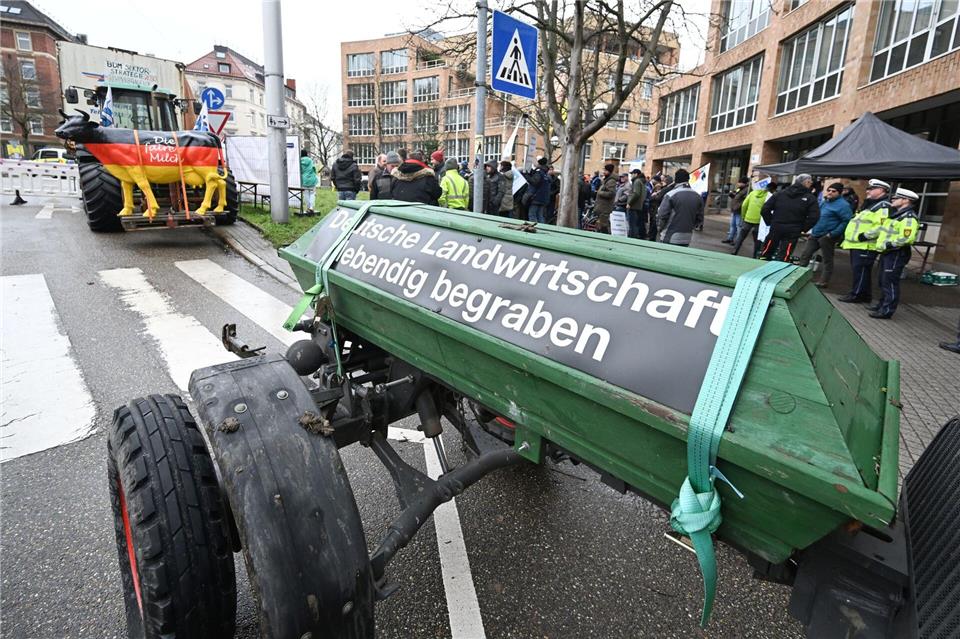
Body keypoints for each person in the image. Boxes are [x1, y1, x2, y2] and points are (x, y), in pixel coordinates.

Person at [866, 188, 920, 319]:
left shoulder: (908, 218)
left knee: (889, 282)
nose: (892, 200)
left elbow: (907, 238)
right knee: (882, 280)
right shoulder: (897, 215)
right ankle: (882, 305)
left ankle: (887, 310)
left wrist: (888, 245)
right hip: (888, 252)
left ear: (906, 200)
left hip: (896, 253)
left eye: (896, 198)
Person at [839, 179, 892, 303]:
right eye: (868, 188)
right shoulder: (871, 204)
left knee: (861, 271)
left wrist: (864, 236)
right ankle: (864, 295)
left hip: (866, 244)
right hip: (859, 244)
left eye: (871, 189)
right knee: (861, 271)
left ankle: (857, 294)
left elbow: (882, 226)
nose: (868, 191)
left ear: (881, 190)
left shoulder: (883, 206)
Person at [795, 181, 853, 287]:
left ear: (839, 193)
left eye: (833, 191)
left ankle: (823, 281)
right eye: (829, 190)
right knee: (805, 254)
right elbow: (818, 215)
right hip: (816, 233)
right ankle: (798, 277)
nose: (830, 192)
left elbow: (846, 221)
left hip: (827, 236)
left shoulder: (844, 205)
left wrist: (833, 234)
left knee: (827, 259)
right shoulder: (825, 201)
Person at [758, 173, 819, 261]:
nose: (811, 184)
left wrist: (771, 222)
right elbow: (814, 216)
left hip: (776, 227)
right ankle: (780, 271)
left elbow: (765, 209)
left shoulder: (779, 194)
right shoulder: (810, 198)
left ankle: (761, 268)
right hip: (793, 229)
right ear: (807, 182)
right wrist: (803, 228)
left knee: (766, 252)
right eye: (810, 183)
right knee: (784, 255)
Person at [656, 168, 703, 247]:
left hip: (669, 236)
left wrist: (660, 228)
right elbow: (699, 219)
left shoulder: (670, 195)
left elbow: (661, 215)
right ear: (688, 179)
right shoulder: (698, 196)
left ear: (676, 179)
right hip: (687, 237)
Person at [733, 180, 775, 257]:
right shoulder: (769, 196)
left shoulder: (752, 193)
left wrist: (744, 216)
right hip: (759, 221)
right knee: (757, 239)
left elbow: (744, 205)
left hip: (748, 218)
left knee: (741, 237)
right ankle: (755, 255)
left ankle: (735, 250)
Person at [593, 163, 619, 233]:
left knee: (603, 226)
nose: (603, 172)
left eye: (605, 170)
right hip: (601, 207)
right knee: (600, 225)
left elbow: (611, 193)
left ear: (609, 171)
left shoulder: (611, 181)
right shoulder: (606, 180)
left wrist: (600, 192)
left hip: (605, 208)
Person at [526, 157, 553, 223]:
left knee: (532, 214)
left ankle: (534, 229)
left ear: (539, 164)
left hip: (536, 197)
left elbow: (535, 182)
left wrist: (527, 176)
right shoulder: (545, 174)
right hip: (543, 198)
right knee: (540, 215)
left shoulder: (539, 172)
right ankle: (542, 228)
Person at [724, 177, 750, 244]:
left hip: (739, 210)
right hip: (734, 210)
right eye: (739, 182)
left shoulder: (747, 190)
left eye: (740, 182)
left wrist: (738, 206)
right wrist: (730, 194)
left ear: (745, 183)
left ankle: (737, 241)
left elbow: (745, 201)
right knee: (732, 225)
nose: (738, 184)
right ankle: (730, 238)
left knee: (739, 226)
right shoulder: (740, 189)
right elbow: (735, 196)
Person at [626, 169, 646, 239]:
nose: (631, 175)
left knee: (632, 225)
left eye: (632, 173)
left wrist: (629, 203)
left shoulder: (637, 181)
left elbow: (636, 193)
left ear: (636, 174)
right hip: (638, 206)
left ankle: (632, 239)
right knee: (636, 224)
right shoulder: (641, 181)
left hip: (633, 206)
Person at [298, 149, 318, 217]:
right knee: (312, 194)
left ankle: (308, 208)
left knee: (306, 194)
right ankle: (311, 208)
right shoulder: (310, 160)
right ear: (307, 154)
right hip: (312, 179)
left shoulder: (299, 161)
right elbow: (314, 168)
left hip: (304, 180)